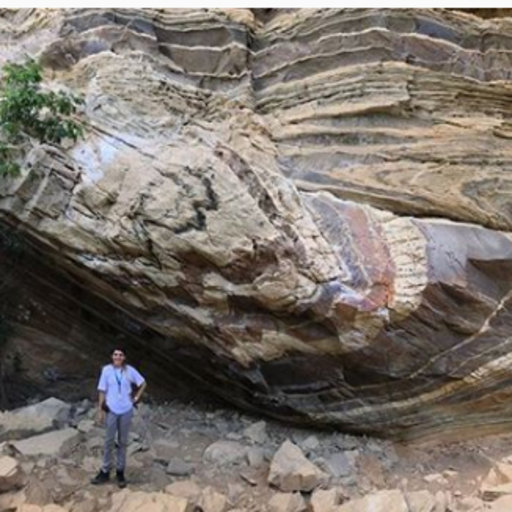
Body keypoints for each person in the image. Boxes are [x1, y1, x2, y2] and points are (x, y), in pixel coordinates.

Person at [91, 347, 147, 488]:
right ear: (112, 356)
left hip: (126, 409)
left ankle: (120, 472)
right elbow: (102, 390)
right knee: (109, 441)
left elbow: (143, 383)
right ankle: (105, 471)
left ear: (124, 358)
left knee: (122, 441)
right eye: (115, 354)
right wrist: (100, 410)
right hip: (111, 409)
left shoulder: (130, 371)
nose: (118, 357)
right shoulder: (106, 371)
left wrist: (136, 398)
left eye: (120, 355)